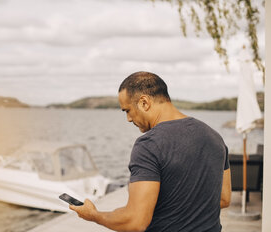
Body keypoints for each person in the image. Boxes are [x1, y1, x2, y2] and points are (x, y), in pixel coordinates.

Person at [70, 71, 232, 232]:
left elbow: (135, 221)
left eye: (127, 110)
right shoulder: (215, 137)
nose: (128, 119)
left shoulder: (149, 145)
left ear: (144, 102)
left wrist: (94, 215)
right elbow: (224, 198)